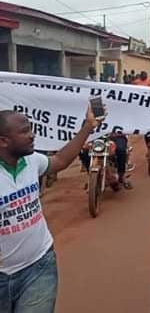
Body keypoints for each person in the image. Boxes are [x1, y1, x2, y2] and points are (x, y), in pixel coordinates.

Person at [0, 106, 103, 313]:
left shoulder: (32, 161)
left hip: (39, 267)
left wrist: (88, 126)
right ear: (3, 141)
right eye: (24, 131)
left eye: (31, 129)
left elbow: (61, 160)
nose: (32, 135)